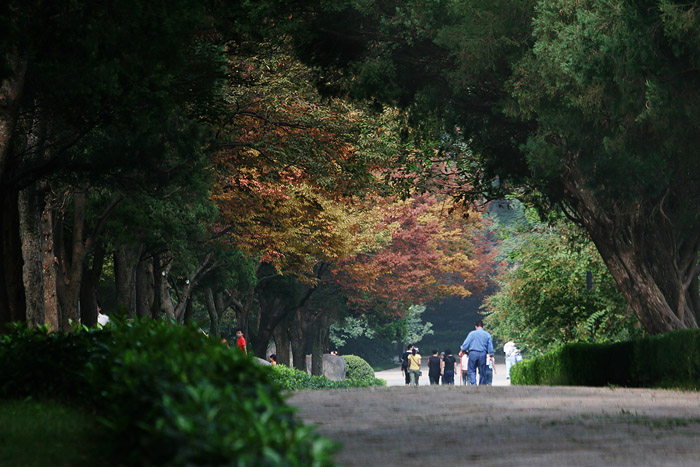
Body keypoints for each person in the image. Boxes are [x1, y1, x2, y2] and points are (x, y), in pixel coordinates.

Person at [460, 320, 494, 386]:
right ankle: (481, 384)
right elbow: (490, 346)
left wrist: (462, 350)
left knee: (472, 369)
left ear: (475, 326)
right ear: (483, 326)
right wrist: (491, 354)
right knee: (482, 371)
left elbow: (466, 344)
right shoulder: (487, 335)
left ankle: (473, 383)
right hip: (482, 353)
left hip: (473, 353)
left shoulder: (472, 334)